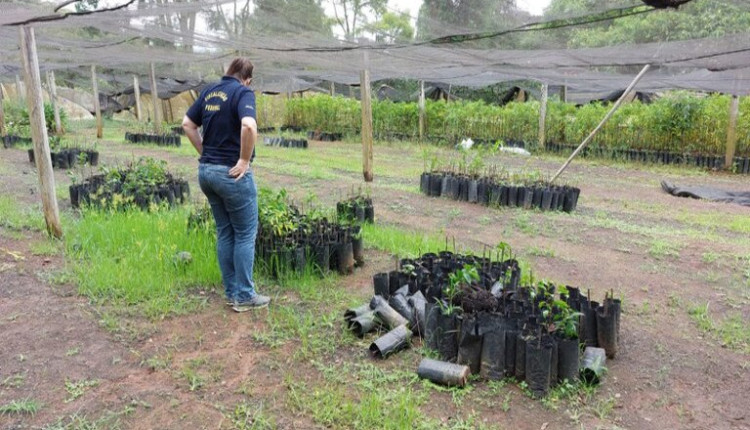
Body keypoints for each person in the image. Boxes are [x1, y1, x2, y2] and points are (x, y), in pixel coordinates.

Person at [182, 58, 270, 312]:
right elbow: (249, 125)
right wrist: (243, 159)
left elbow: (187, 124)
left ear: (227, 72)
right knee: (244, 233)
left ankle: (232, 291)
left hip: (206, 172)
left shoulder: (209, 91)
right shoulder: (243, 93)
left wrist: (204, 150)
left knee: (225, 231)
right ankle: (244, 295)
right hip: (232, 175)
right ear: (247, 79)